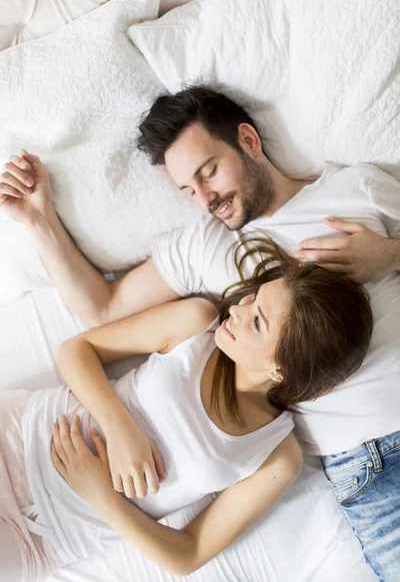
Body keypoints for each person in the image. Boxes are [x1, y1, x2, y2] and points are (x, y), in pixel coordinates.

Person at [1, 86, 399, 580]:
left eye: (208, 171)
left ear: (249, 140)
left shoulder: (353, 190)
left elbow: (186, 553)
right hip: (367, 461)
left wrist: (391, 256)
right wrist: (40, 220)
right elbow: (100, 312)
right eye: (188, 190)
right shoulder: (206, 256)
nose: (205, 199)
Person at [0, 236, 373, 581]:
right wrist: (121, 429)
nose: (240, 310)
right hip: (21, 435)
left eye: (257, 321)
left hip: (42, 538)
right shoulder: (196, 326)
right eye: (253, 298)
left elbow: (188, 553)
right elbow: (76, 351)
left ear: (280, 370)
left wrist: (103, 497)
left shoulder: (277, 456)